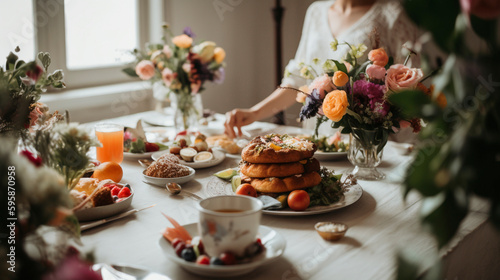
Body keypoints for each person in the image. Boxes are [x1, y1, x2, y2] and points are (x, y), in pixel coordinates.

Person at [224, 0, 422, 141]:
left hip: (368, 143)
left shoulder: (393, 13)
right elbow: (297, 81)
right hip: (318, 139)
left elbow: (410, 89)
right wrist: (253, 113)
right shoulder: (316, 11)